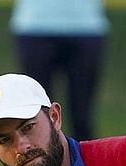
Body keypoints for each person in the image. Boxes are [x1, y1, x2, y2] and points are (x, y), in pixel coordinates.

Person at [10, 0, 109, 141]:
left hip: (86, 25)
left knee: (81, 113)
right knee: (37, 110)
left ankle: (83, 154)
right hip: (34, 24)